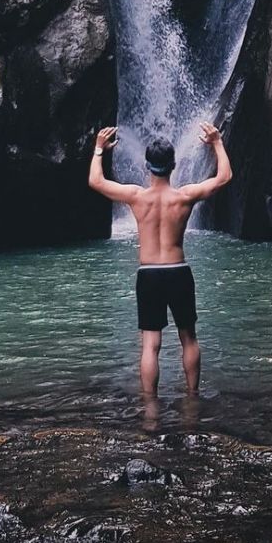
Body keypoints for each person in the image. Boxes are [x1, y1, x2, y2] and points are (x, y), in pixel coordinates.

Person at [88, 122, 232, 396]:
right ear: (174, 164)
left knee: (150, 344)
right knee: (188, 338)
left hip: (149, 273)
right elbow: (224, 177)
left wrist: (98, 149)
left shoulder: (136, 197)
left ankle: (151, 407)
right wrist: (216, 142)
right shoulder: (185, 196)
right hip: (179, 271)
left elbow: (95, 182)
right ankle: (192, 398)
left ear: (146, 165)